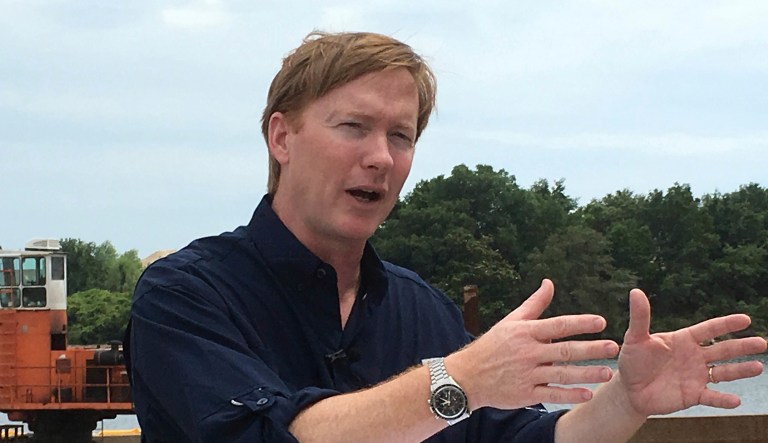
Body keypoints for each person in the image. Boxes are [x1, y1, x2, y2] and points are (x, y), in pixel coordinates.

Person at [124, 31, 767, 443]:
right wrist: (458, 377)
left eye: (400, 136)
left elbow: (514, 438)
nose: (381, 157)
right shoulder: (183, 295)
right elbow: (268, 435)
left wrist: (624, 401)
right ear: (281, 137)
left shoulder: (421, 308)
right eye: (353, 127)